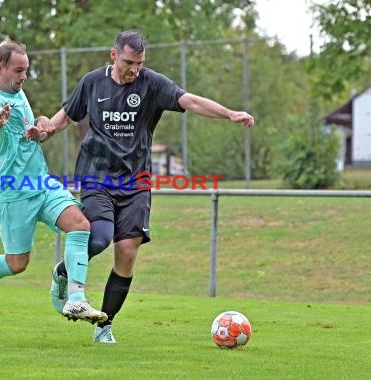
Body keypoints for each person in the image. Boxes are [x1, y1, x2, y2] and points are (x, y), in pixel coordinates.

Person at [27, 30, 254, 343]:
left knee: (127, 252)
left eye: (139, 63)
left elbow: (191, 101)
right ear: (113, 55)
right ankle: (63, 273)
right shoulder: (93, 82)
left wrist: (229, 114)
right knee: (101, 237)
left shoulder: (152, 83)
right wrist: (46, 128)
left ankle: (104, 325)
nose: (134, 69)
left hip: (136, 182)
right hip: (97, 175)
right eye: (128, 62)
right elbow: (65, 117)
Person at [0, 41, 107, 326]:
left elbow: (32, 132)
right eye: (18, 70)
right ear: (0, 68)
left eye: (26, 70)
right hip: (13, 191)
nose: (24, 76)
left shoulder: (19, 93)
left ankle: (76, 299)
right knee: (17, 264)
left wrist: (41, 129)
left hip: (42, 184)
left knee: (80, 225)